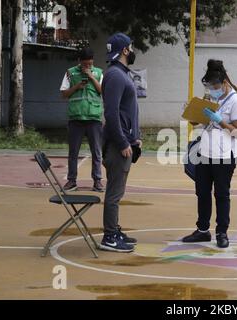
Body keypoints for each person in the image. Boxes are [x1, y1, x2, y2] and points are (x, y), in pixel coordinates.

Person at [182, 59, 237, 248]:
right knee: (202, 192)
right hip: (205, 153)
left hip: (225, 155)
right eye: (209, 87)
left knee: (221, 194)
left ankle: (221, 232)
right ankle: (202, 230)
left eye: (215, 86)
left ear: (225, 82)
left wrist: (219, 121)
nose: (212, 89)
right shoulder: (210, 98)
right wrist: (190, 113)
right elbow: (199, 122)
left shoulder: (235, 100)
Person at [100, 33, 141, 252]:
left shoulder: (121, 74)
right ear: (125, 50)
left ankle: (114, 230)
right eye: (131, 47)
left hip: (124, 141)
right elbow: (112, 113)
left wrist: (136, 138)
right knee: (114, 193)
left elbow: (128, 111)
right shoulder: (116, 75)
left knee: (118, 191)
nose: (133, 50)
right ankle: (109, 237)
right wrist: (124, 142)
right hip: (118, 145)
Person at [60, 47, 104, 192]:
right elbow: (64, 94)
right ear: (79, 61)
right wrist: (77, 87)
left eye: (90, 64)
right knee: (73, 152)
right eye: (85, 64)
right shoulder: (70, 73)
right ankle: (71, 181)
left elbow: (102, 91)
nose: (87, 67)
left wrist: (91, 76)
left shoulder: (98, 73)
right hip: (76, 119)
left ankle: (97, 181)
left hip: (94, 118)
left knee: (97, 152)